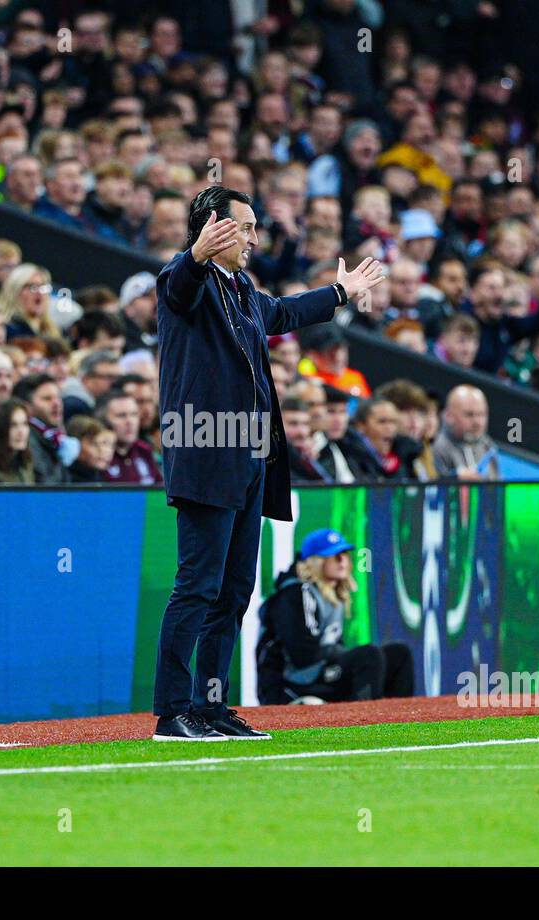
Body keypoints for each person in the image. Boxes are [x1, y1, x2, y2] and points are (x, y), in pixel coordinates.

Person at [151, 185, 385, 742]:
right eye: (246, 227)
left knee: (233, 591)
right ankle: (171, 711)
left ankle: (210, 706)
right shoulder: (187, 280)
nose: (255, 238)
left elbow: (282, 312)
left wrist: (339, 292)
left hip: (251, 457)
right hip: (207, 453)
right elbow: (177, 286)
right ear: (217, 227)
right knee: (197, 586)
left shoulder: (243, 290)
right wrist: (196, 254)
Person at [256, 529, 414, 704]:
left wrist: (341, 657)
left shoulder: (333, 594)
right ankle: (364, 724)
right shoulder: (296, 593)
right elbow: (303, 656)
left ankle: (399, 722)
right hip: (293, 684)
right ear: (316, 562)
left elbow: (332, 646)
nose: (342, 561)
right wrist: (344, 657)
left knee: (399, 654)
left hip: (319, 672)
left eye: (344, 554)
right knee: (368, 656)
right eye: (334, 556)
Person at [432, 384, 500, 481]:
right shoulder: (437, 447)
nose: (477, 422)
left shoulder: (487, 445)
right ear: (449, 415)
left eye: (481, 414)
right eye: (469, 415)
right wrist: (455, 479)